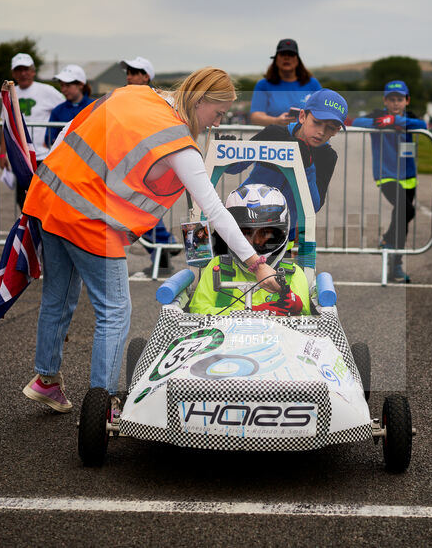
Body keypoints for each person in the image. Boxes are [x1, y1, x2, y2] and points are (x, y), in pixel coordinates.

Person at [20, 67, 282, 413]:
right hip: (89, 219)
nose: (217, 123)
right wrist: (257, 263)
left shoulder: (134, 93)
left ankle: (46, 379)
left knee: (58, 297)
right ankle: (104, 402)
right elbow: (216, 211)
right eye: (217, 113)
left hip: (49, 198)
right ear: (200, 100)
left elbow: (71, 131)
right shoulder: (178, 142)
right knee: (114, 311)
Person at [233, 88, 346, 243]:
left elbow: (313, 206)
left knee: (272, 268)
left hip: (282, 233)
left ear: (337, 131)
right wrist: (231, 150)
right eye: (317, 122)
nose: (321, 131)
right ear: (302, 116)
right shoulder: (274, 133)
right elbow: (235, 168)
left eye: (330, 128)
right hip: (243, 221)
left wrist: (307, 168)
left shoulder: (327, 156)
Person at [189, 184, 310, 316]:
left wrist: (293, 306)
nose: (256, 242)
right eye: (246, 233)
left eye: (265, 233)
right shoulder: (217, 267)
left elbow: (308, 323)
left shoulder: (292, 274)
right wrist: (253, 314)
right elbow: (197, 312)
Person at [352, 80, 428, 283]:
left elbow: (423, 125)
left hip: (408, 177)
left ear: (407, 100)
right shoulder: (377, 115)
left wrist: (397, 122)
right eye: (392, 99)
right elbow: (357, 123)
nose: (396, 103)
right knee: (407, 210)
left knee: (402, 220)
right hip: (386, 175)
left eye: (400, 99)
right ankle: (387, 240)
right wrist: (382, 122)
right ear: (385, 100)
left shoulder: (410, 118)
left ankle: (396, 264)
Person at [117, 56, 177, 276]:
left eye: (135, 72)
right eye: (128, 72)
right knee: (138, 211)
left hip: (148, 163)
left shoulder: (157, 99)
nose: (129, 76)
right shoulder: (123, 98)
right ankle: (164, 248)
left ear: (146, 76)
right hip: (128, 161)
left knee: (140, 211)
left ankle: (164, 247)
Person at [0, 52, 65, 207]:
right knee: (24, 200)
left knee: (45, 199)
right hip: (21, 156)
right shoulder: (7, 93)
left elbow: (63, 112)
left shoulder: (47, 91)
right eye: (19, 70)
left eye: (27, 69)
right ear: (13, 73)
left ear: (33, 71)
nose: (23, 73)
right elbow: (6, 124)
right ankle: (28, 231)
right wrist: (3, 153)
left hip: (44, 156)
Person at [249, 39, 322, 127]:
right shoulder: (263, 85)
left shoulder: (312, 84)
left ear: (297, 60)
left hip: (305, 138)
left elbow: (322, 112)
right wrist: (276, 121)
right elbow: (255, 117)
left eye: (291, 54)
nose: (287, 58)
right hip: (275, 137)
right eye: (283, 54)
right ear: (276, 59)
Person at [45, 64, 93, 148]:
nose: (63, 89)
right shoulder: (57, 110)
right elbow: (49, 139)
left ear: (81, 85)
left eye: (68, 85)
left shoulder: (95, 106)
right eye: (62, 85)